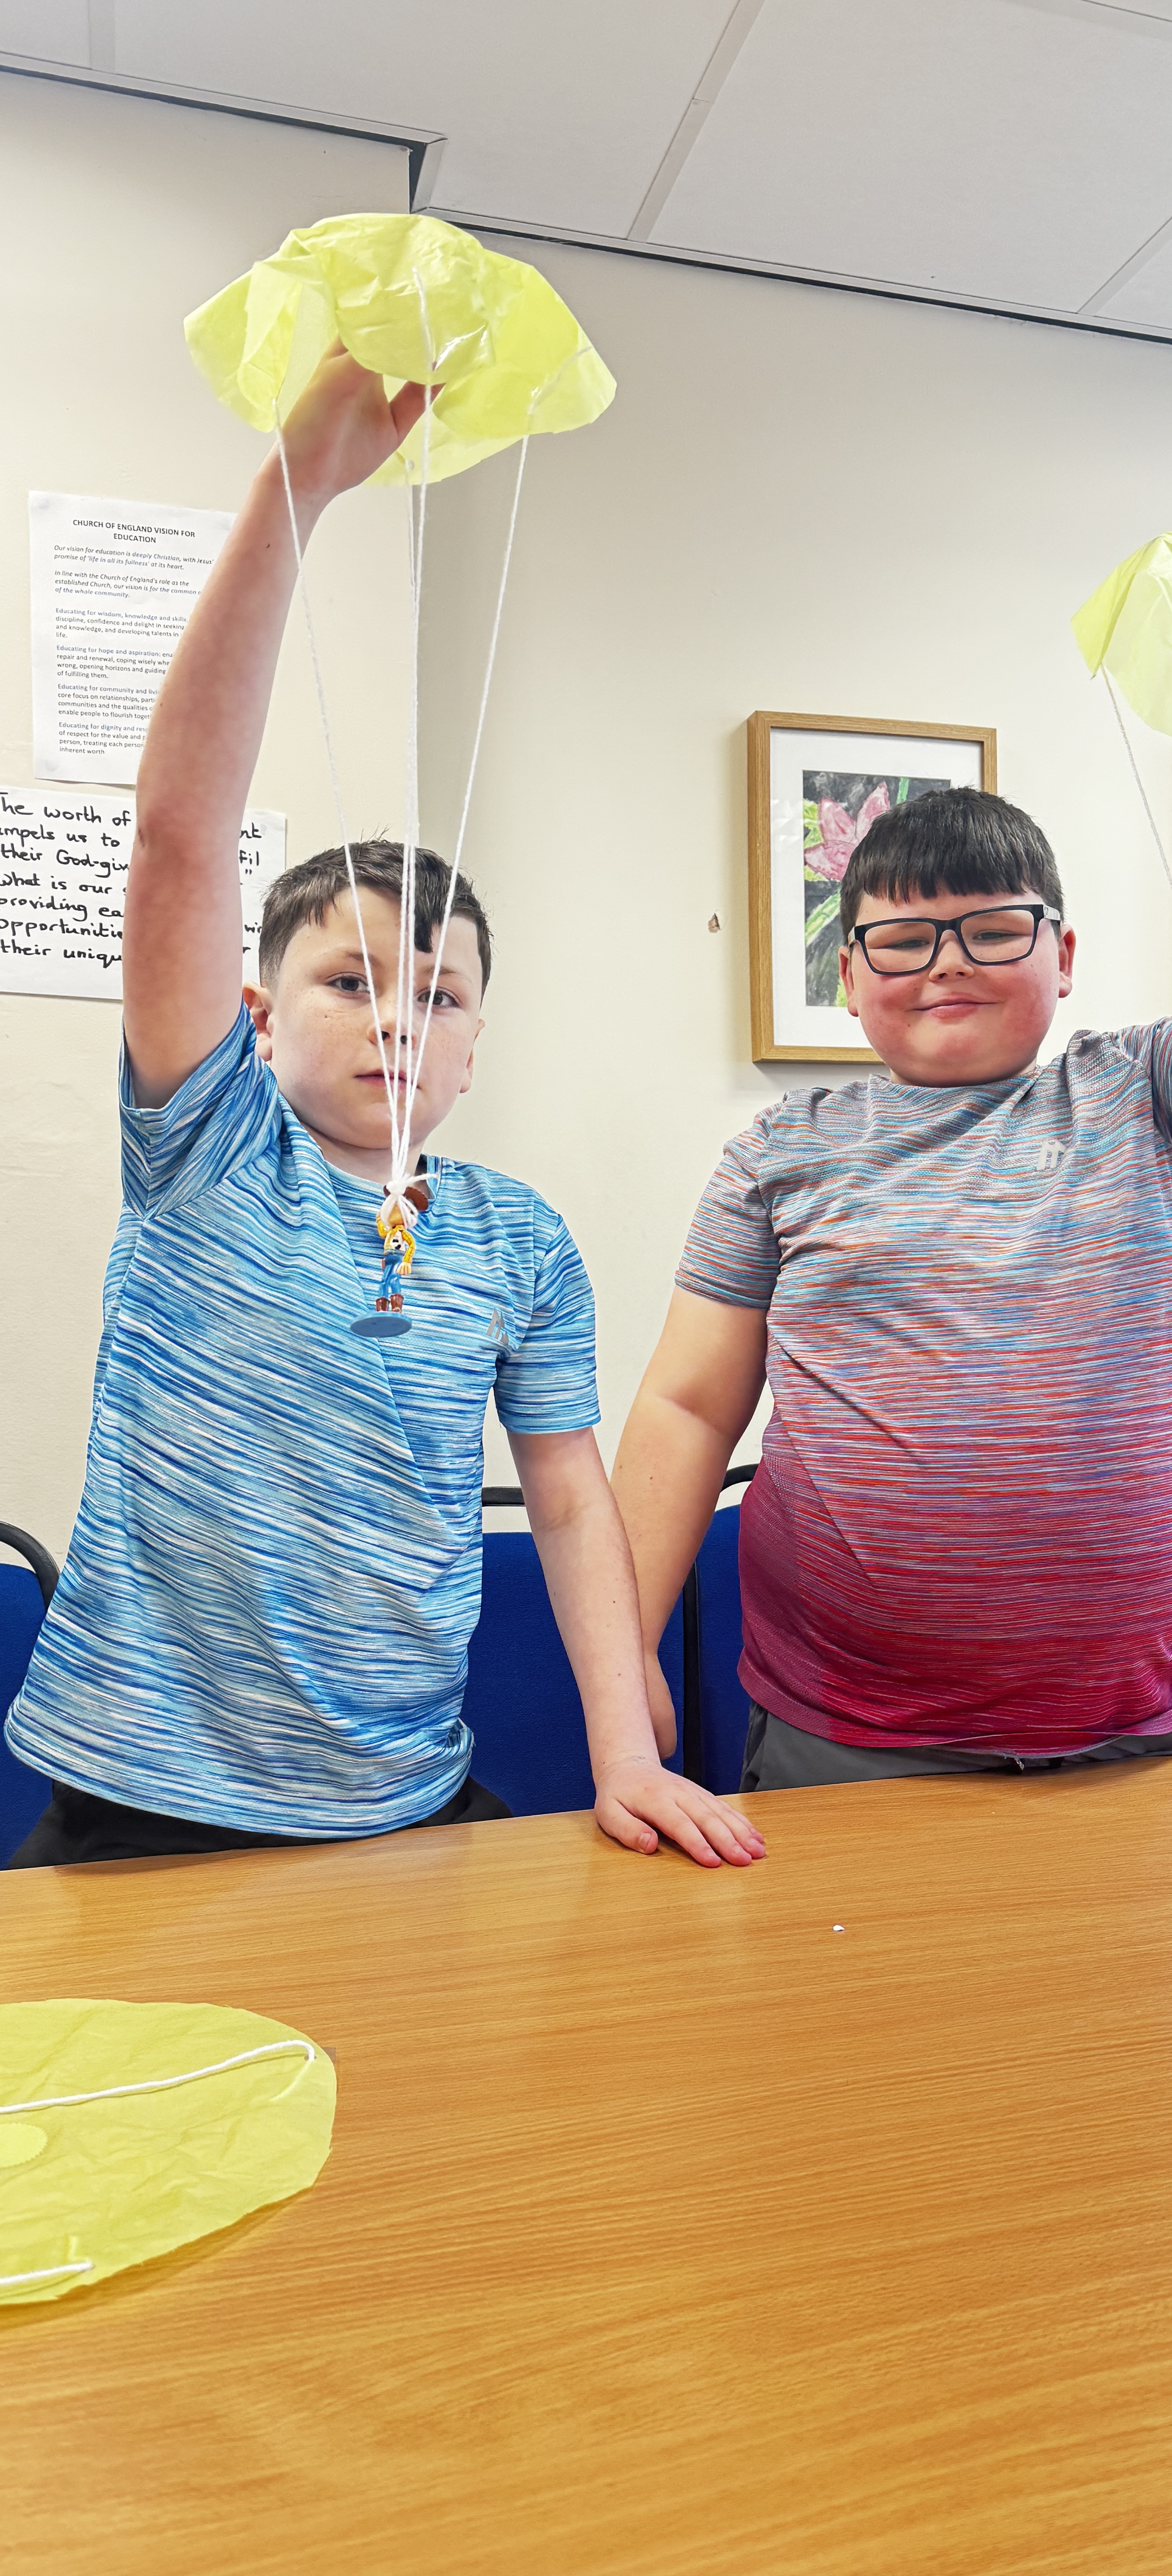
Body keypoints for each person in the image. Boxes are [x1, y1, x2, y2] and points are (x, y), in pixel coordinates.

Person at [6, 345, 763, 1873]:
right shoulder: (209, 1146)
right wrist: (298, 490)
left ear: (477, 1045)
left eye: (441, 996)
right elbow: (178, 837)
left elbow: (568, 1496)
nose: (400, 1022)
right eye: (351, 982)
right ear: (255, 1013)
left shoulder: (517, 1240)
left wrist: (625, 1749)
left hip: (403, 1801)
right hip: (139, 1795)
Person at [612, 720, 1172, 1792]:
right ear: (848, 973)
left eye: (991, 930)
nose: (948, 963)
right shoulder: (779, 1150)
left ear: (1062, 957)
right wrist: (620, 1664)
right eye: (903, 939)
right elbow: (688, 1410)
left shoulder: (1144, 1096)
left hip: (1139, 1736)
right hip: (844, 1736)